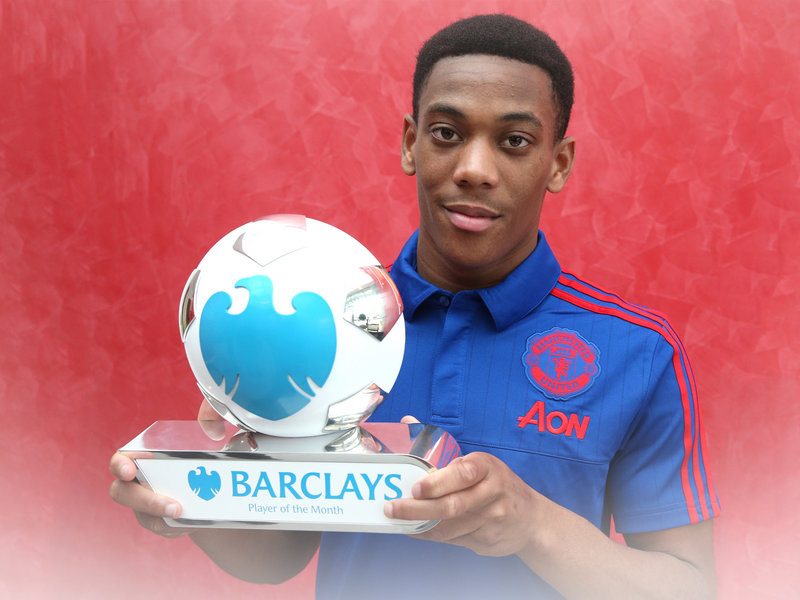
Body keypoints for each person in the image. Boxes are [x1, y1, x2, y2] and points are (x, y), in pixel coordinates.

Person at [110, 14, 719, 599]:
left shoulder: (636, 351)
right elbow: (278, 557)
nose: (474, 169)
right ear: (411, 143)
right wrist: (193, 503)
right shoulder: (316, 323)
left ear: (557, 162)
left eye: (514, 141)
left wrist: (534, 526)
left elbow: (691, 588)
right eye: (447, 134)